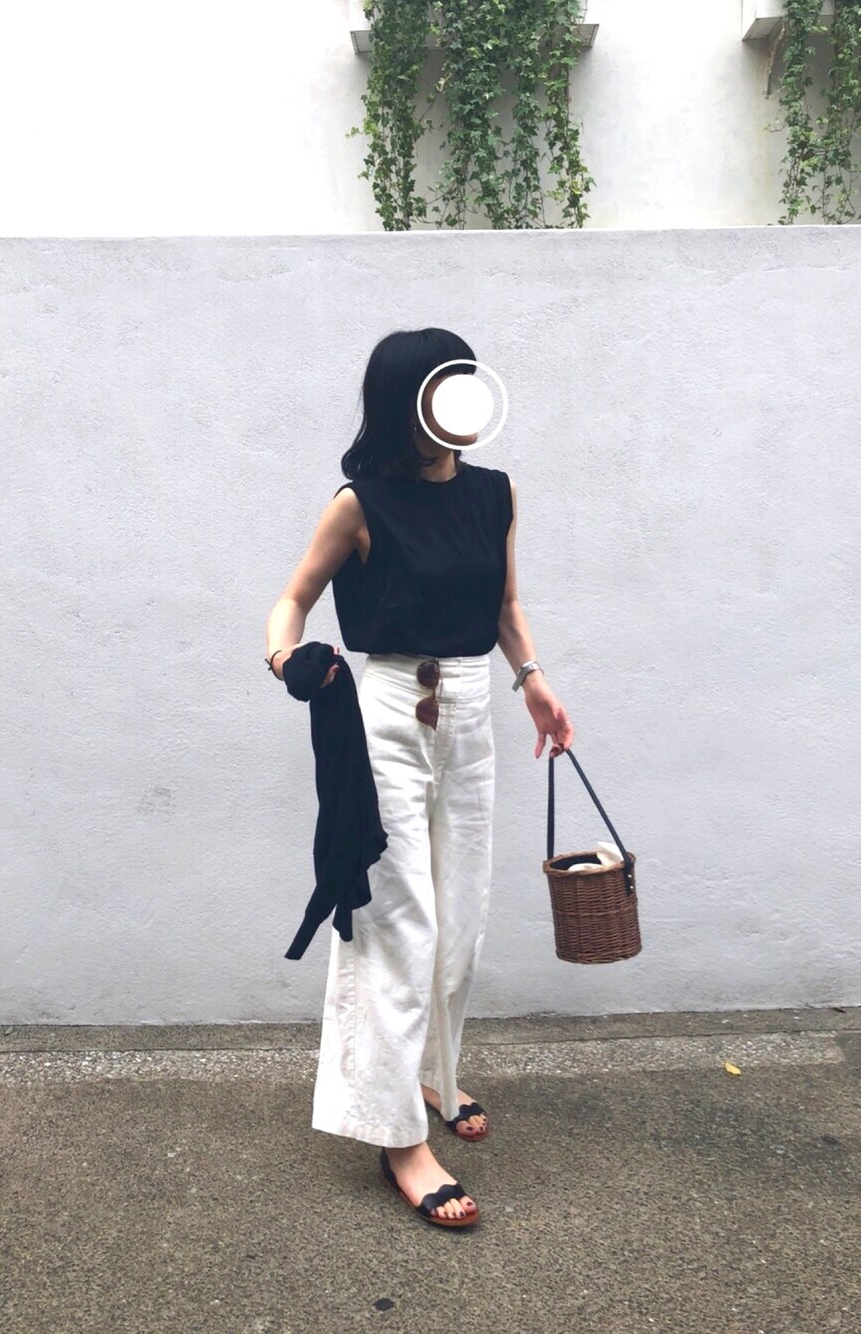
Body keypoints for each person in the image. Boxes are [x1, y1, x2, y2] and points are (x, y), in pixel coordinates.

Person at [264, 327, 575, 1228]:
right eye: (447, 384)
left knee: (461, 920)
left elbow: (504, 605)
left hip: (470, 712)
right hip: (390, 716)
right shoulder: (359, 504)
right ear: (410, 400)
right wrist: (286, 656)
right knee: (397, 922)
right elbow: (293, 597)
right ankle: (397, 1135)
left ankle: (435, 1074)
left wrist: (533, 681)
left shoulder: (495, 492)